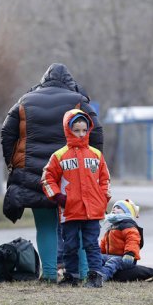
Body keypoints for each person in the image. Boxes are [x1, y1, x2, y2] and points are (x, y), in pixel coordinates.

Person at [1, 63, 103, 282]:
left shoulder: (25, 100)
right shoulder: (78, 100)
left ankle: (48, 274)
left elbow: (6, 133)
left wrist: (12, 163)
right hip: (74, 173)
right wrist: (92, 162)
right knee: (82, 224)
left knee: (45, 223)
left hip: (34, 174)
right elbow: (97, 131)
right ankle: (84, 272)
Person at [42, 109, 111, 288]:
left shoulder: (96, 154)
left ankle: (95, 276)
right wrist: (59, 198)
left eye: (83, 130)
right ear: (68, 130)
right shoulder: (59, 156)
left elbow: (105, 179)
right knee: (70, 245)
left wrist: (102, 199)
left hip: (92, 211)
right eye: (76, 130)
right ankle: (71, 276)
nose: (81, 134)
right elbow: (47, 178)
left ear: (88, 130)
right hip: (69, 210)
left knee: (91, 245)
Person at [98, 199, 142, 282]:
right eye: (114, 207)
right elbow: (104, 243)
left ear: (127, 212)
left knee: (113, 261)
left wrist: (130, 254)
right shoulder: (112, 227)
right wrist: (99, 254)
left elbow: (133, 241)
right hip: (110, 257)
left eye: (118, 208)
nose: (114, 209)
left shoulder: (128, 226)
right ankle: (91, 273)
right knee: (97, 258)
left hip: (126, 259)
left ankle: (102, 276)